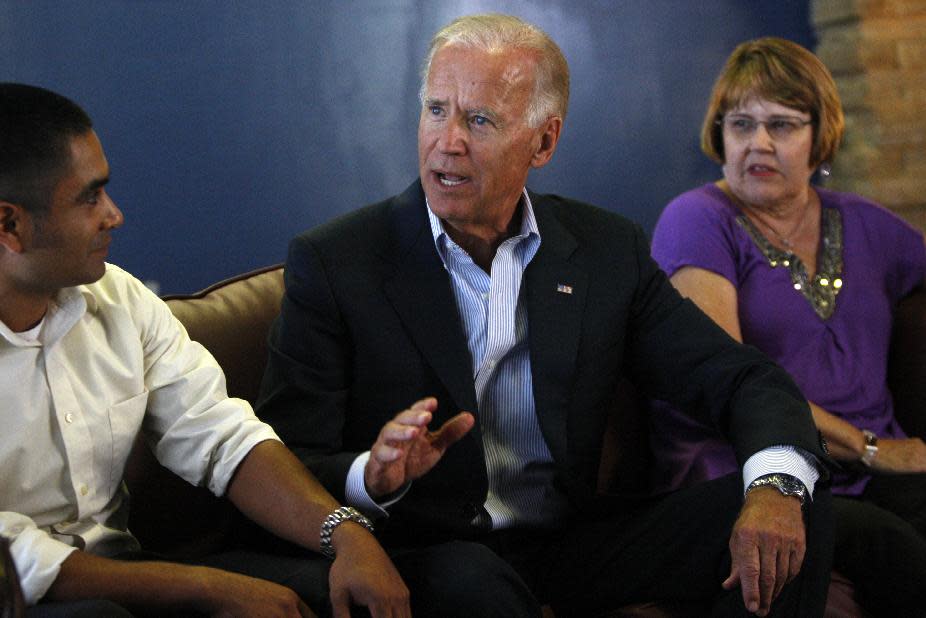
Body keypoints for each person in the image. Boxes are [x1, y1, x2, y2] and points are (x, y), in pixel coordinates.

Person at [257, 14, 833, 617]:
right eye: (435, 110)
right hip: (427, 548)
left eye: (478, 120)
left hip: (571, 544)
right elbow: (285, 457)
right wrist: (371, 477)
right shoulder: (337, 262)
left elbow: (740, 378)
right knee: (471, 580)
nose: (446, 141)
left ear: (544, 141)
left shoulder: (605, 251)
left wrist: (774, 487)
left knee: (802, 508)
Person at [0, 83, 410, 618]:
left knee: (345, 592)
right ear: (9, 224)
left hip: (130, 571)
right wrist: (208, 586)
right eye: (89, 197)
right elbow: (18, 559)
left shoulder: (119, 299)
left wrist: (349, 535)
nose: (114, 214)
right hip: (27, 598)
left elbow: (218, 433)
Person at [649, 37, 926, 616]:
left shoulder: (866, 223)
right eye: (741, 123)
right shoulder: (698, 218)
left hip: (875, 478)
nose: (759, 143)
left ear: (820, 137)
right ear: (719, 134)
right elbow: (726, 382)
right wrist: (874, 449)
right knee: (889, 545)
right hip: (754, 470)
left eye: (783, 124)